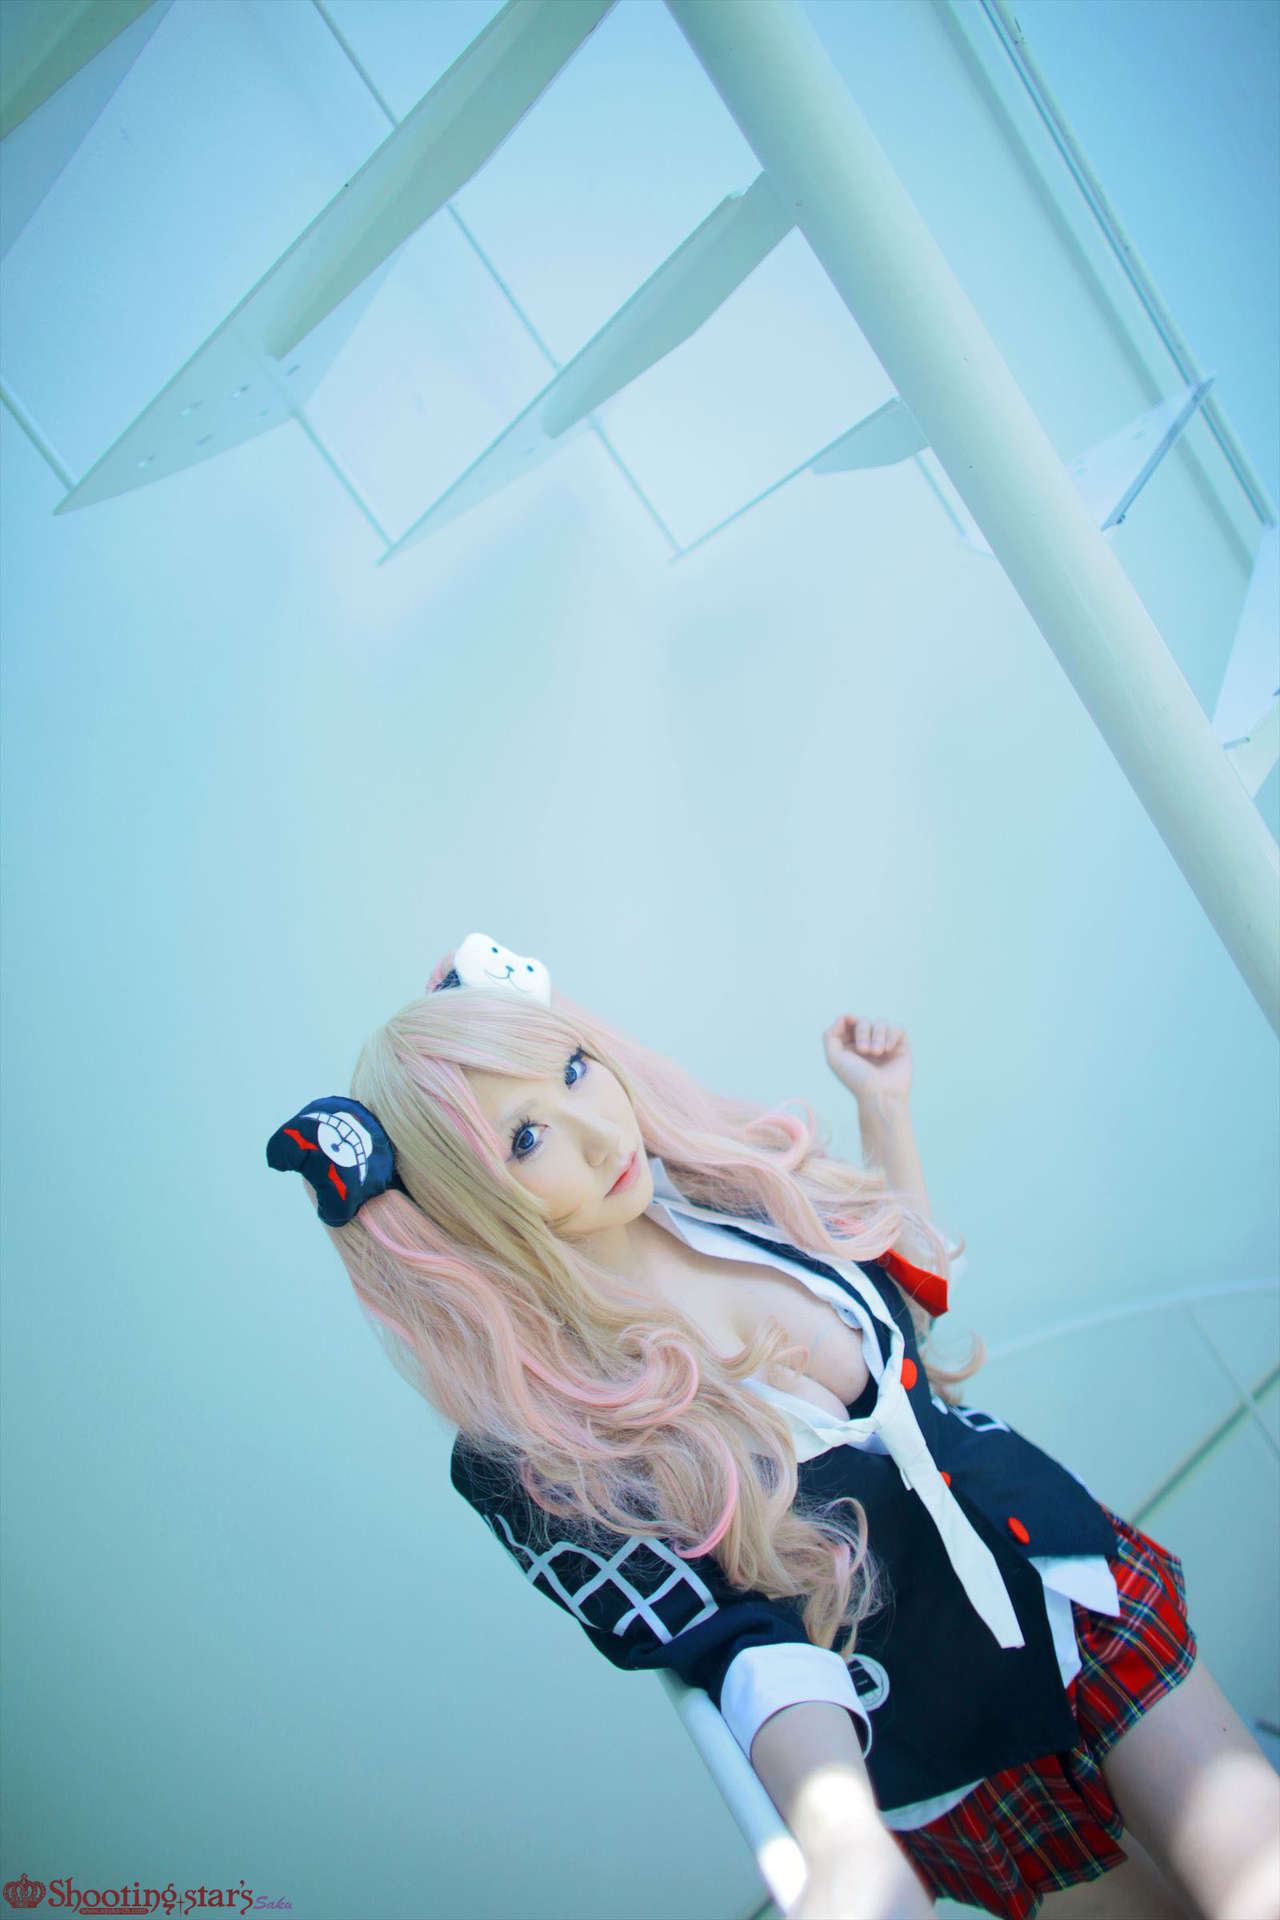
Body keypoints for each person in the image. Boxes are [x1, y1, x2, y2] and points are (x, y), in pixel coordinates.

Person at [267, 932, 1280, 1920]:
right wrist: (838, 1838)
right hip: (936, 1733)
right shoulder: (538, 1453)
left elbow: (902, 1307)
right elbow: (733, 1643)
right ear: (465, 1207)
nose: (599, 1131)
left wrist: (883, 1111)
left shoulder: (719, 1188)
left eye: (573, 1070)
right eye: (525, 1140)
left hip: (1057, 1573)